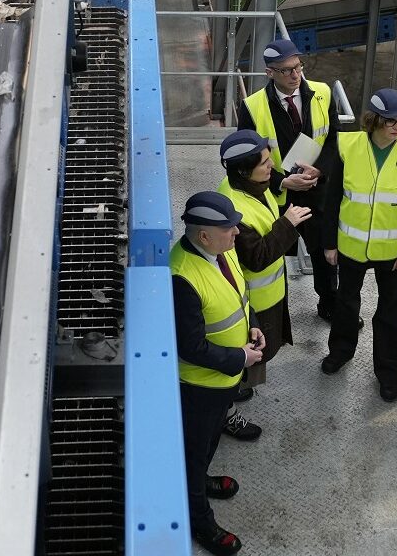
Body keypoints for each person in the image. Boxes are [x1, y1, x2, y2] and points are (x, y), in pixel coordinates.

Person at [171, 191, 267, 556]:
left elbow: (239, 296)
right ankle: (200, 521)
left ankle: (200, 481)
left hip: (223, 382)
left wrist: (252, 324)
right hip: (200, 387)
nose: (237, 232)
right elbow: (191, 347)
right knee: (194, 453)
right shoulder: (181, 277)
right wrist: (240, 357)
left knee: (209, 443)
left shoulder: (221, 251)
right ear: (203, 235)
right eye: (229, 228)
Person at [319, 88, 397, 402]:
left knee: (389, 313)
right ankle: (340, 352)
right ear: (374, 120)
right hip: (350, 245)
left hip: (393, 252)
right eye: (390, 121)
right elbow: (333, 199)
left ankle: (388, 373)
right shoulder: (348, 146)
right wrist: (330, 243)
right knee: (346, 304)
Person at [216, 130, 312, 442]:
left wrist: (285, 185)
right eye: (265, 163)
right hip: (249, 306)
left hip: (266, 297)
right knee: (246, 357)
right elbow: (256, 257)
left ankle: (237, 389)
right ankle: (225, 412)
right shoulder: (234, 209)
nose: (272, 167)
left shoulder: (253, 186)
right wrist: (288, 223)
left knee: (256, 356)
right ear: (245, 171)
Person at [237, 38, 340, 323]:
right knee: (275, 253)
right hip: (277, 197)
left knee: (323, 252)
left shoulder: (322, 92)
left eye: (298, 67)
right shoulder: (253, 107)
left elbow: (333, 139)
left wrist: (319, 170)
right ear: (270, 72)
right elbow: (246, 160)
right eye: (286, 70)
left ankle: (329, 303)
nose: (295, 75)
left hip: (316, 190)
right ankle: (276, 315)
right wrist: (282, 182)